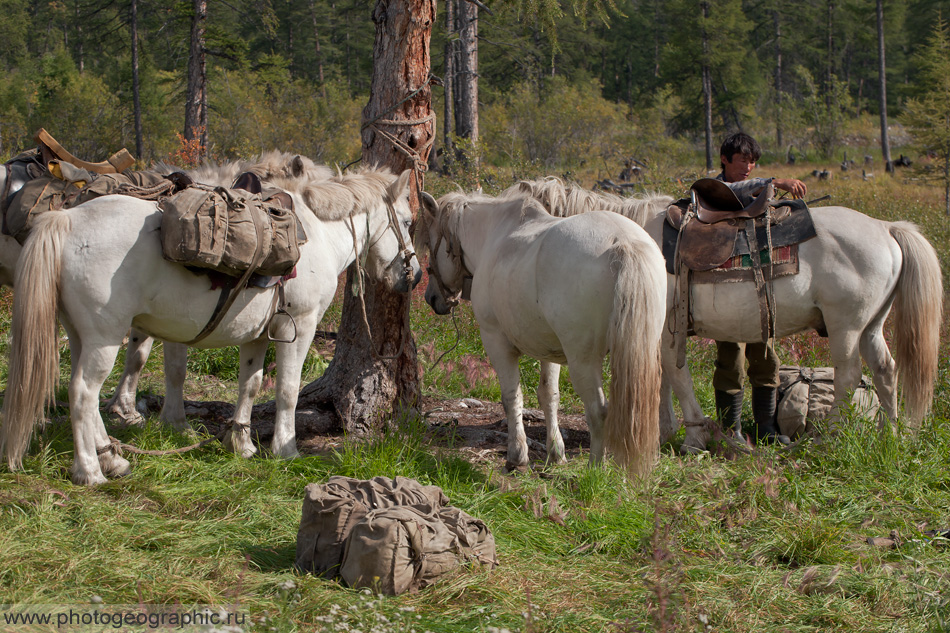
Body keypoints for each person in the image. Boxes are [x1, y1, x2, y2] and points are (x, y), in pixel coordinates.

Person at [712, 132, 807, 446]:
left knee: (766, 359)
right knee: (731, 360)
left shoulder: (757, 192)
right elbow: (734, 189)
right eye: (742, 160)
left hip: (758, 288)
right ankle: (730, 432)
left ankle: (765, 429)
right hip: (725, 292)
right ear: (725, 159)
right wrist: (775, 181)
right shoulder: (712, 190)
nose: (748, 167)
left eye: (753, 161)